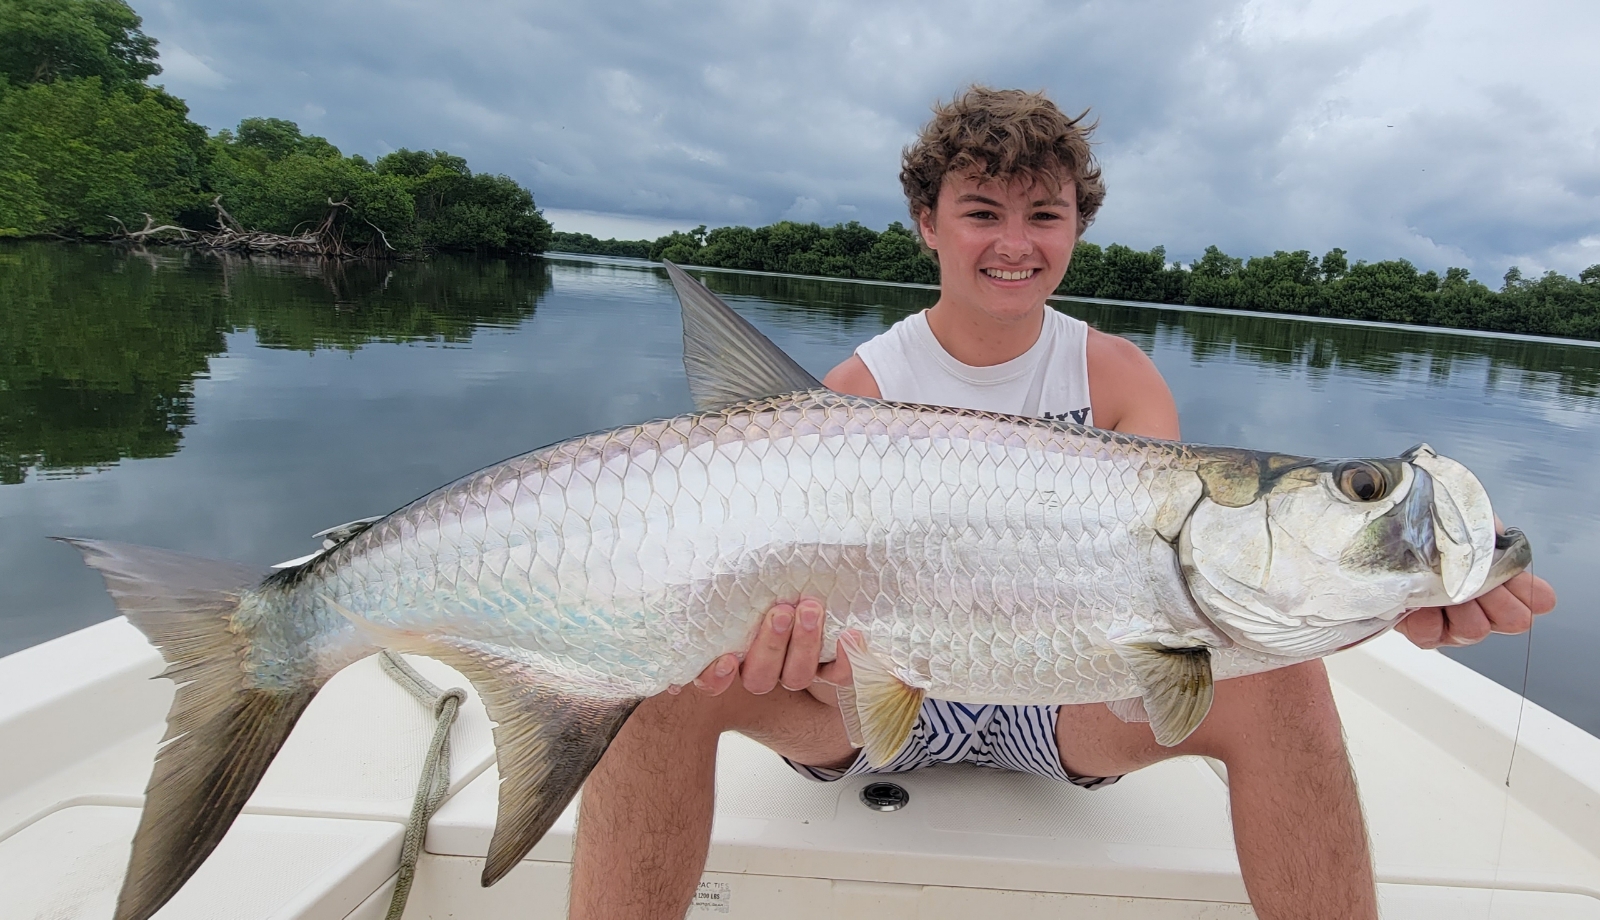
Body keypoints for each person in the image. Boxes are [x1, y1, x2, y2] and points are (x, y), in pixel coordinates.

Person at [569, 86, 1557, 920]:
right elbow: (804, 608)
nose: (1013, 240)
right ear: (928, 223)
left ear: (1075, 227)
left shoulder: (1121, 377)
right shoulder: (859, 384)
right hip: (873, 696)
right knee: (649, 675)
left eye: (1042, 214)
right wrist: (793, 645)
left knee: (1289, 685)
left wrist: (1377, 598)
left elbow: (1185, 626)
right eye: (981, 210)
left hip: (1068, 698)